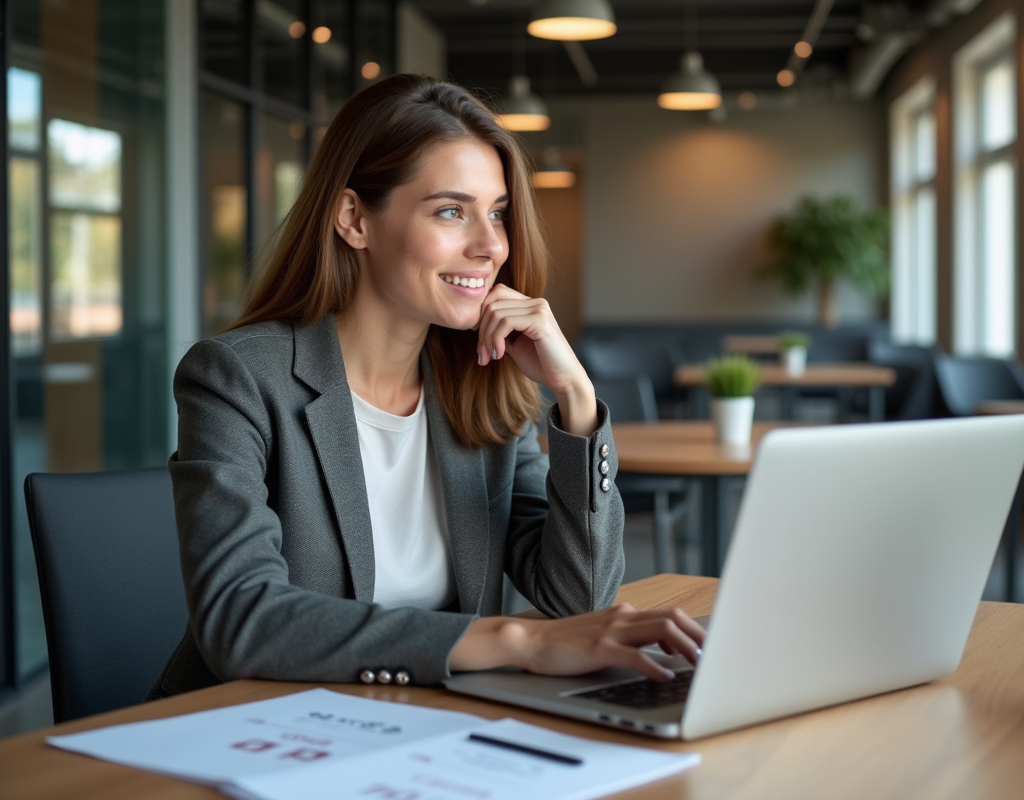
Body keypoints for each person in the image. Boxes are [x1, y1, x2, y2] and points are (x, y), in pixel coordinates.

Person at [149, 74, 704, 699]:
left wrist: (575, 400)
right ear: (355, 219)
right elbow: (240, 618)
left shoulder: (480, 383)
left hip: (420, 725)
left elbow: (578, 596)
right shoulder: (239, 377)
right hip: (247, 731)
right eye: (451, 211)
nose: (491, 245)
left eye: (497, 213)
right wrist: (513, 642)